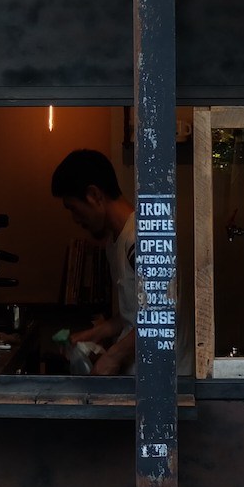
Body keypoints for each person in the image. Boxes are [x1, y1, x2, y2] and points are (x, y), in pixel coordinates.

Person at [51, 148, 136, 376]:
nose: (75, 220)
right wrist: (93, 334)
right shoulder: (114, 241)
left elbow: (160, 315)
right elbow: (133, 315)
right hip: (136, 376)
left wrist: (114, 356)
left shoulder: (138, 238)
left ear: (95, 195)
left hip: (164, 380)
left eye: (73, 209)